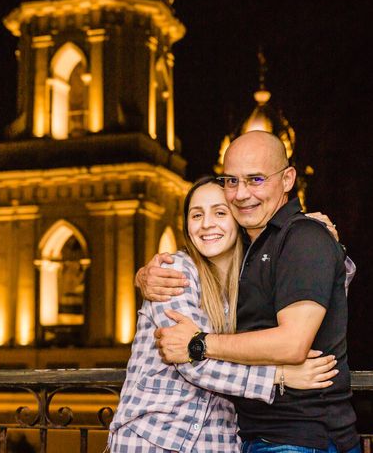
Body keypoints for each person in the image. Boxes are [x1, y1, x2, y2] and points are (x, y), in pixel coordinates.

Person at [145, 131, 360, 452]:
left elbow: (292, 344)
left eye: (255, 179)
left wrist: (198, 344)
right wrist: (145, 276)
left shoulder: (301, 237)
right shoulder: (250, 250)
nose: (241, 193)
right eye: (231, 181)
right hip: (254, 436)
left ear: (288, 179)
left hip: (300, 438)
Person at [108, 177, 340, 452]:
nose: (206, 224)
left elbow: (313, 297)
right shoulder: (174, 272)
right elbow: (194, 360)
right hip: (151, 439)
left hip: (217, 442)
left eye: (220, 212)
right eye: (197, 215)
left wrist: (319, 244)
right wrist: (279, 376)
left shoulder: (252, 280)